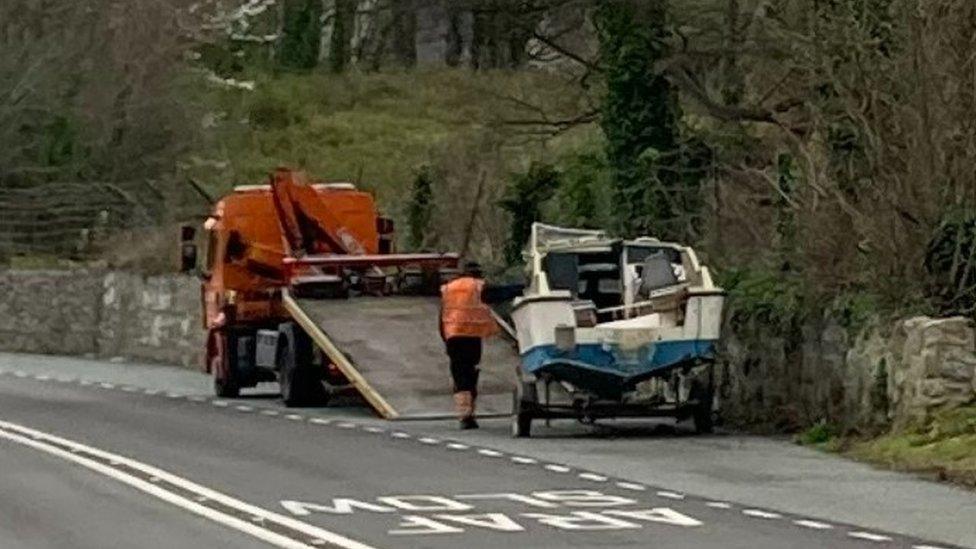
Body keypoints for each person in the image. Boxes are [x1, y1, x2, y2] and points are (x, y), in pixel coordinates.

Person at [439, 261, 498, 429]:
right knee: (471, 373)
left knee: (460, 376)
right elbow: (499, 294)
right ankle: (469, 414)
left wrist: (446, 338)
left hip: (453, 337)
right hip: (472, 337)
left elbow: (442, 315)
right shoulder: (479, 286)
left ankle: (465, 416)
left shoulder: (448, 288)